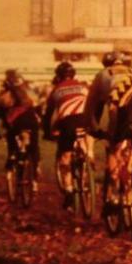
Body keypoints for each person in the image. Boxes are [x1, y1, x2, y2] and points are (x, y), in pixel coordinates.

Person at [85, 52, 132, 190]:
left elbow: (91, 106)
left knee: (114, 148)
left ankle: (114, 190)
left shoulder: (102, 74)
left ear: (105, 64)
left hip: (121, 109)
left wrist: (94, 128)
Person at [42, 61, 92, 209]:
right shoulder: (83, 86)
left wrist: (46, 132)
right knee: (84, 135)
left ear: (58, 76)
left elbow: (48, 114)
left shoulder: (56, 90)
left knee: (66, 157)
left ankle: (69, 191)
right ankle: (88, 155)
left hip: (68, 123)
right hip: (86, 120)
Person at [0, 78, 41, 191]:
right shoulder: (28, 96)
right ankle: (34, 177)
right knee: (33, 148)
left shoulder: (4, 98)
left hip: (15, 125)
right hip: (32, 122)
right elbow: (37, 110)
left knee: (12, 144)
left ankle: (12, 159)